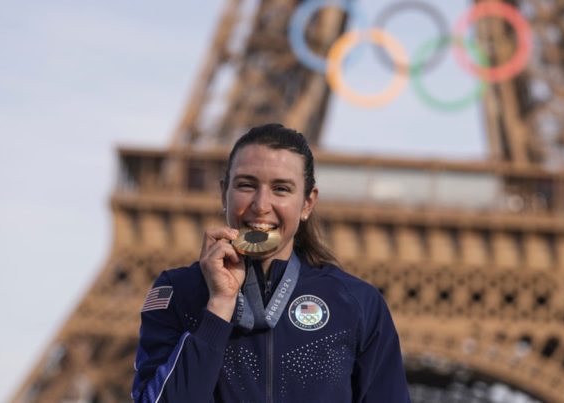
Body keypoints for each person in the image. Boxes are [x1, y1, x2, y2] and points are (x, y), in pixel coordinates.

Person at [131, 123, 410, 402]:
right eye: (246, 185)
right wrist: (218, 306)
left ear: (307, 203)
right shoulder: (179, 292)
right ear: (224, 193)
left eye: (281, 189)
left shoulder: (358, 303)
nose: (261, 205)